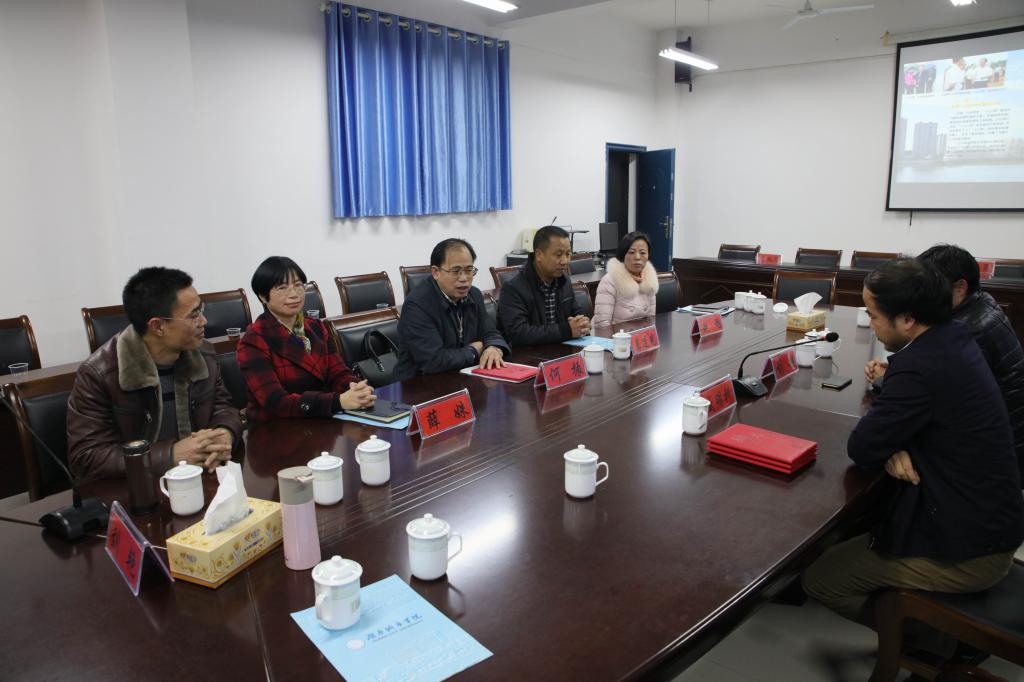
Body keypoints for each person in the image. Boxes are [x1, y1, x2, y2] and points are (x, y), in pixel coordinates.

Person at [803, 259, 1023, 629]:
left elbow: (863, 446)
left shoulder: (917, 366)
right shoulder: (954, 338)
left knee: (821, 579)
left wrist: (889, 443)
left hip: (971, 553)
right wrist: (895, 444)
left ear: (907, 319)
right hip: (996, 525)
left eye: (873, 315)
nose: (870, 322)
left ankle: (929, 639)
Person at [864, 244, 1024, 482]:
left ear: (961, 287)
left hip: (987, 464)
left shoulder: (968, 331)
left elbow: (867, 441)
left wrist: (888, 380)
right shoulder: (981, 304)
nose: (921, 294)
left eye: (931, 285)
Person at [67, 267, 243, 479]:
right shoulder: (99, 374)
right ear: (157, 326)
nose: (204, 321)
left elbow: (223, 407)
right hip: (138, 487)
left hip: (199, 477)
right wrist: (170, 455)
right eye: (194, 315)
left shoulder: (203, 353)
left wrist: (225, 433)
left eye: (201, 310)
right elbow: (87, 457)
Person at [237, 256, 374, 423]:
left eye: (298, 285)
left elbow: (338, 372)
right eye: (282, 288)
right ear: (263, 296)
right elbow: (275, 401)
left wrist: (355, 388)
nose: (294, 294)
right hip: (276, 429)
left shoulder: (316, 327)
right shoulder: (253, 340)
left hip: (321, 420)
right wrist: (337, 401)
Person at [395, 238, 510, 380]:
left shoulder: (474, 295)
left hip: (461, 378)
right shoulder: (417, 306)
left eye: (469, 270)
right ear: (435, 272)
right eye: (456, 271)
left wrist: (493, 347)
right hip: (420, 385)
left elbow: (490, 332)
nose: (464, 278)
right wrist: (473, 351)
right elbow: (433, 361)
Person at [498, 225, 590, 346]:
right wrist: (566, 330)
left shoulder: (564, 282)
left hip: (561, 350)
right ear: (538, 254)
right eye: (558, 255)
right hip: (530, 355)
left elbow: (576, 314)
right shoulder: (513, 288)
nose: (565, 261)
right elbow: (518, 333)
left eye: (568, 254)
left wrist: (582, 324)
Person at [592, 232, 658, 327]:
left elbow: (651, 319)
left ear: (648, 256)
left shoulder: (650, 279)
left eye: (643, 253)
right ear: (623, 255)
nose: (637, 257)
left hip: (639, 334)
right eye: (631, 252)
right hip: (614, 335)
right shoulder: (610, 281)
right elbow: (602, 324)